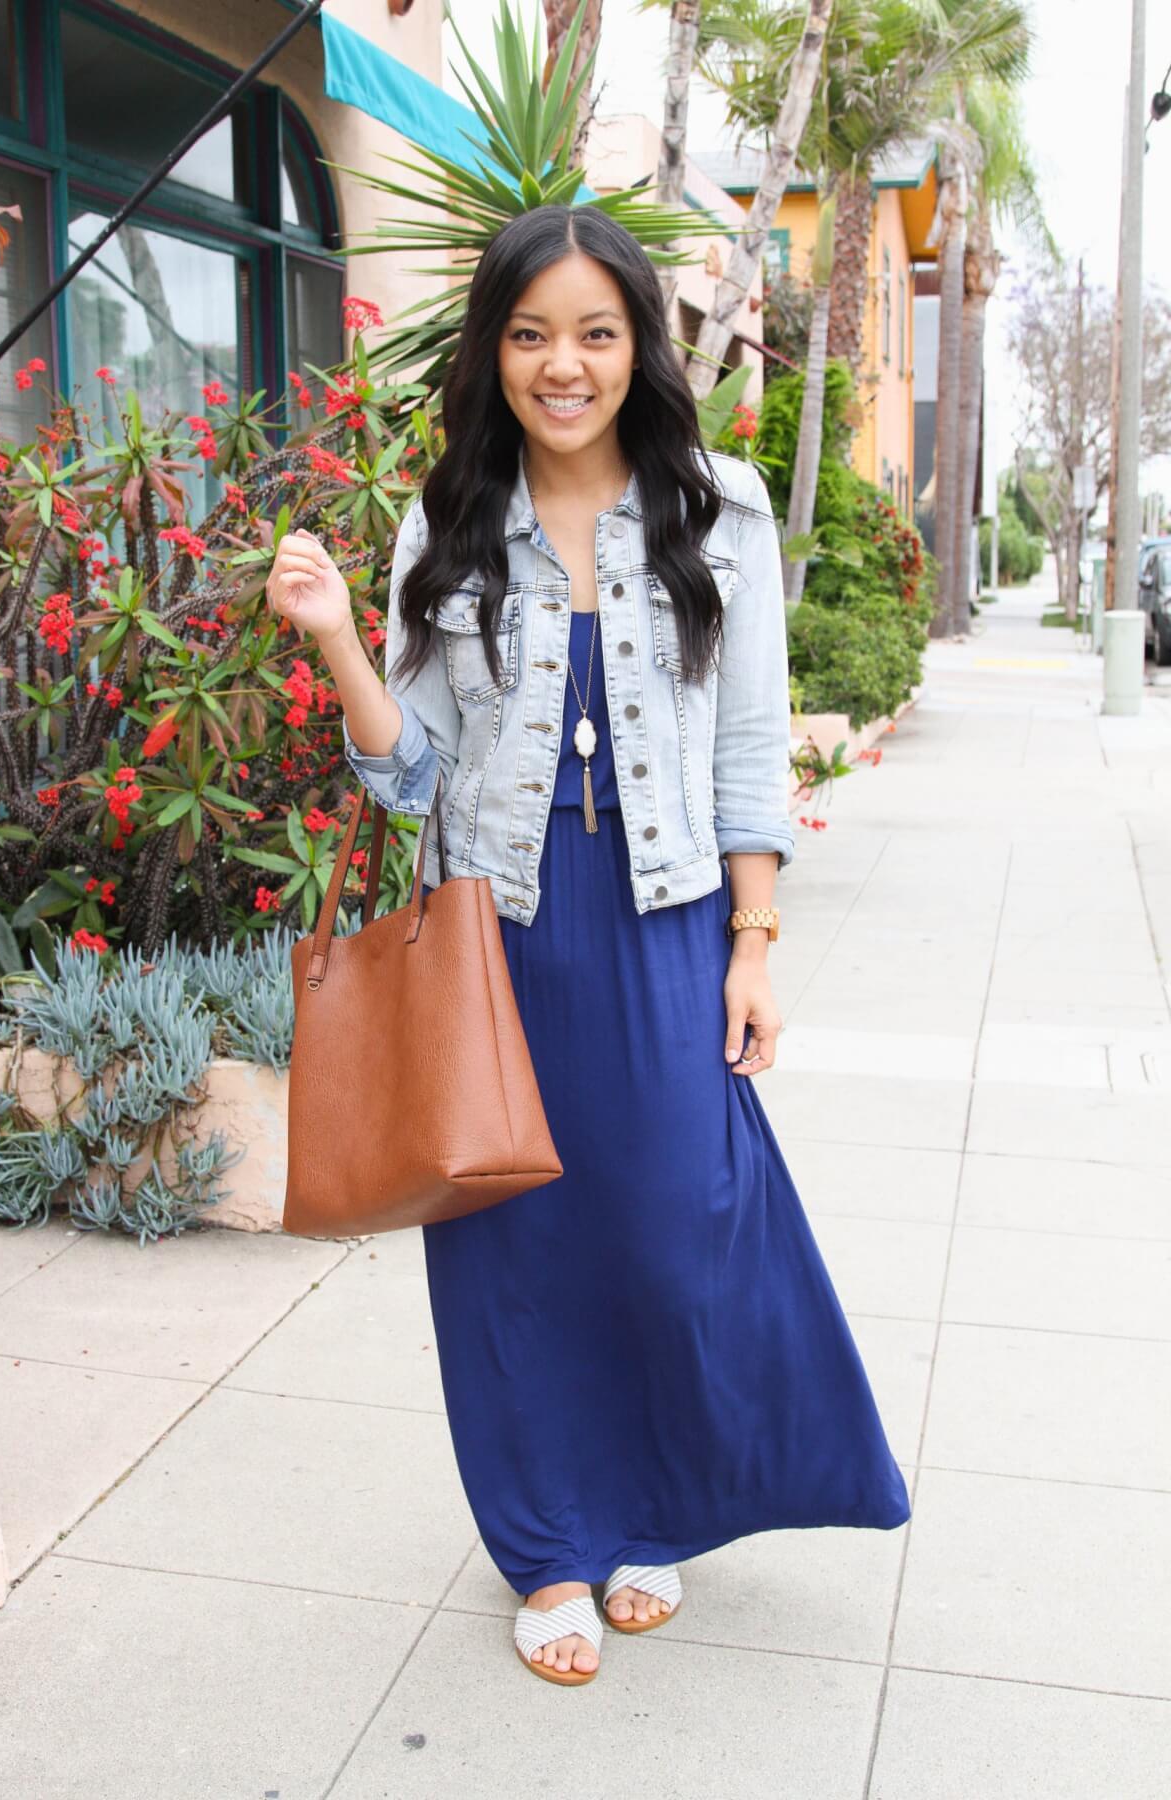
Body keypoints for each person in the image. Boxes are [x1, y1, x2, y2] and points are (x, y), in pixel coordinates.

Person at [266, 204, 910, 1690]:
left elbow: (751, 745)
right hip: (501, 928)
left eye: (597, 333)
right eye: (533, 333)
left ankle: (656, 1508)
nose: (566, 364)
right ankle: (552, 1542)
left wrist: (754, 942)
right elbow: (410, 771)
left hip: (670, 917)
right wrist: (336, 641)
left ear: (640, 348)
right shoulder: (450, 521)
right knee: (513, 1248)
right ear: (497, 351)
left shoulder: (720, 509)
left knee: (679, 1230)